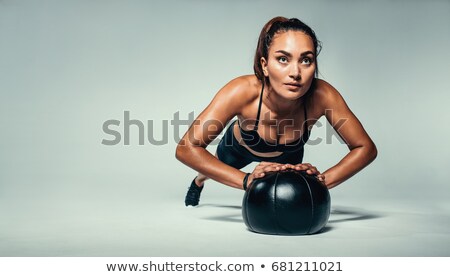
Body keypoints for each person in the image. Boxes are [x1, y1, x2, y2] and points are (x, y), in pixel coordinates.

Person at [175, 16, 377, 207]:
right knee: (209, 170)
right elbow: (186, 149)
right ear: (265, 65)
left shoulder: (323, 95)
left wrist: (322, 180)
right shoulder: (241, 91)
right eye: (283, 59)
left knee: (286, 201)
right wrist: (246, 180)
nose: (295, 73)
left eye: (306, 60)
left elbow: (365, 148)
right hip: (238, 148)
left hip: (288, 157)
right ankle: (198, 182)